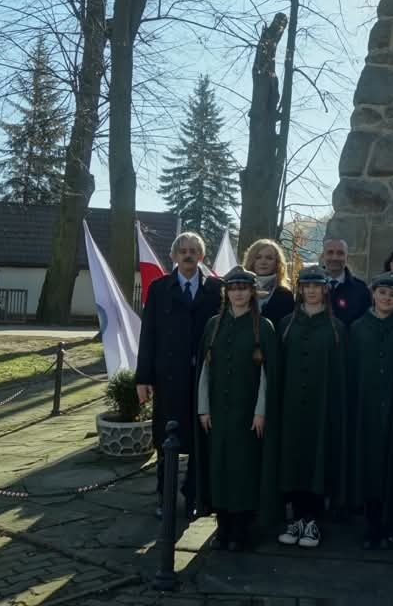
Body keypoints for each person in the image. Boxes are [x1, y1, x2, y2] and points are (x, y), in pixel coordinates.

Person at [136, 231, 223, 520]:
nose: (188, 255)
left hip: (204, 377)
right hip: (169, 378)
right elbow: (148, 334)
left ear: (201, 256)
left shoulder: (216, 289)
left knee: (200, 439)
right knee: (167, 439)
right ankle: (165, 495)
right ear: (173, 256)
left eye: (193, 251)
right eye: (182, 251)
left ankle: (195, 495)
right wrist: (143, 378)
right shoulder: (159, 288)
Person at [196, 267, 278, 551]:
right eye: (233, 288)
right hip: (218, 413)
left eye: (243, 288)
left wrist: (261, 412)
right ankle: (223, 526)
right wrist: (203, 409)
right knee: (219, 467)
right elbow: (205, 371)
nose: (238, 293)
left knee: (244, 469)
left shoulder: (263, 327)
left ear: (252, 292)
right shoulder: (213, 325)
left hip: (248, 414)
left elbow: (268, 375)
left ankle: (242, 528)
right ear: (226, 293)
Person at [267, 265, 348, 549]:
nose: (311, 291)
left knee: (317, 459)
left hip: (321, 406)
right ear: (300, 289)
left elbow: (341, 374)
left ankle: (312, 520)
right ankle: (296, 518)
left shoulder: (337, 328)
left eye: (317, 286)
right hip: (290, 407)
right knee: (292, 460)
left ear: (325, 290)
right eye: (307, 286)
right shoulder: (286, 324)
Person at [347, 271, 393, 549]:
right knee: (369, 466)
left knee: (392, 466)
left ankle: (390, 524)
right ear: (373, 294)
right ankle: (371, 524)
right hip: (366, 408)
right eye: (382, 293)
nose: (387, 298)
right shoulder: (358, 328)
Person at [243, 238, 295, 328]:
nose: (263, 262)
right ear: (251, 260)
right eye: (258, 257)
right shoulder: (238, 291)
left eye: (269, 258)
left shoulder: (285, 295)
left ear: (277, 263)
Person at [321, 237, 370, 326]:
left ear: (347, 258)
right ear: (323, 256)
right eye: (330, 253)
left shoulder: (361, 290)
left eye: (340, 253)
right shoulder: (311, 287)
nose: (335, 258)